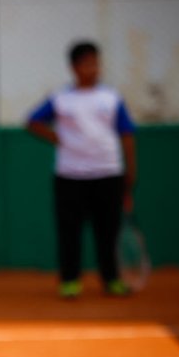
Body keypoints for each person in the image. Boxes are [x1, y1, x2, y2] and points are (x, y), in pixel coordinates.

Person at [26, 41, 137, 298]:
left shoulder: (111, 98)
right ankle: (70, 281)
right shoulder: (61, 99)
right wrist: (57, 138)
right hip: (70, 175)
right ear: (74, 67)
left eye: (96, 63)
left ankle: (111, 279)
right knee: (69, 232)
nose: (93, 69)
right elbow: (32, 122)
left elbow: (127, 134)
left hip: (108, 173)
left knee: (107, 231)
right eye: (87, 63)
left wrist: (130, 170)